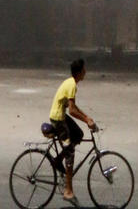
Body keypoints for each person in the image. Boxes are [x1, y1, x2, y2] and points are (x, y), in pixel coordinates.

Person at [49, 58, 96, 204]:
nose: (85, 72)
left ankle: (57, 160)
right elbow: (72, 110)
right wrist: (87, 120)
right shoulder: (72, 86)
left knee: (78, 134)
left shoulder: (71, 83)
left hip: (61, 115)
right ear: (79, 72)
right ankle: (68, 191)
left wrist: (87, 117)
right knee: (70, 152)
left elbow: (74, 108)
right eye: (84, 70)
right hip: (58, 119)